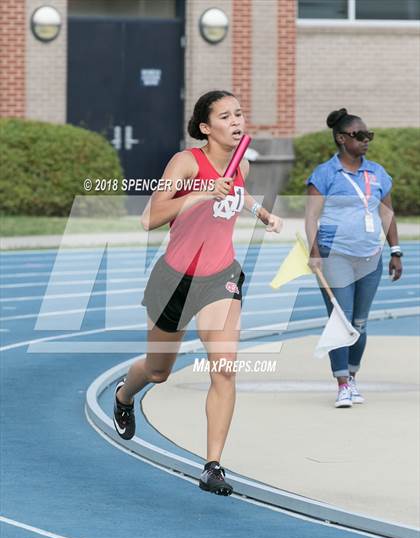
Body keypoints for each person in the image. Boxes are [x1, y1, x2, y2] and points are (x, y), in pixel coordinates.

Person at [113, 90, 282, 494]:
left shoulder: (240, 162)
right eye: (225, 116)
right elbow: (149, 218)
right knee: (158, 371)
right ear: (206, 127)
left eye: (239, 113)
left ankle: (212, 467)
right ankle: (123, 395)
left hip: (219, 276)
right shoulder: (186, 162)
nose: (236, 120)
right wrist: (204, 192)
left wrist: (262, 214)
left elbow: (235, 194)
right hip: (173, 279)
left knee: (224, 366)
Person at [305, 108, 403, 408]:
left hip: (370, 257)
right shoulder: (324, 174)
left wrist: (395, 251)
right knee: (341, 320)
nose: (366, 141)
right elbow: (311, 217)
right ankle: (342, 384)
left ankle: (353, 377)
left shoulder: (377, 173)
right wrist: (314, 252)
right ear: (341, 138)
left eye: (368, 135)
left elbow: (386, 213)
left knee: (359, 324)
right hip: (335, 256)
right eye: (360, 136)